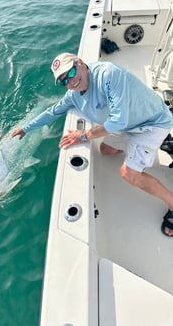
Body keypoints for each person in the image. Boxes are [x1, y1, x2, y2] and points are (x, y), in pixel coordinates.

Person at [11, 52, 173, 237]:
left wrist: (84, 136)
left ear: (80, 62)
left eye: (71, 73)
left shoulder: (108, 73)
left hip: (153, 123)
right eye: (64, 81)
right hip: (130, 125)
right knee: (105, 150)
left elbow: (118, 121)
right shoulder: (73, 95)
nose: (70, 82)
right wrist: (25, 128)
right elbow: (52, 112)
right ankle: (162, 142)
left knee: (129, 173)